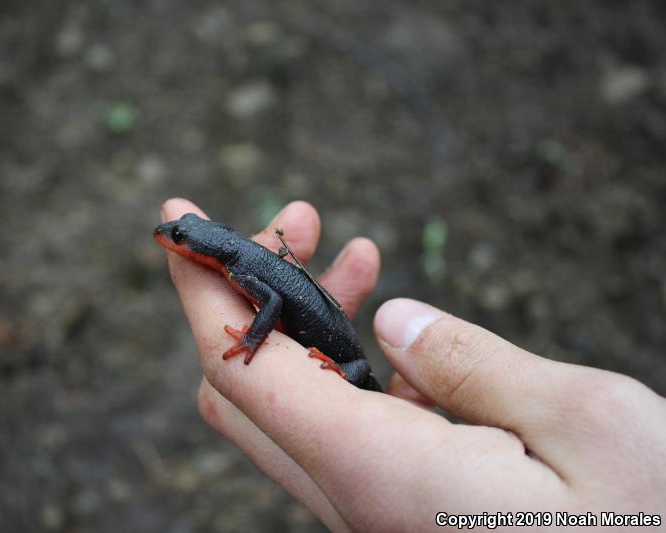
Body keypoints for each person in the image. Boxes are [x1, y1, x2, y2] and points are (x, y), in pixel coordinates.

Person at [158, 198, 666, 532]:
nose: (171, 237)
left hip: (351, 364)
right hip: (322, 334)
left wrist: (252, 339)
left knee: (354, 372)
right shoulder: (235, 259)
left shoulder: (241, 262)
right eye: (180, 235)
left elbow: (269, 306)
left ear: (206, 246)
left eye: (180, 238)